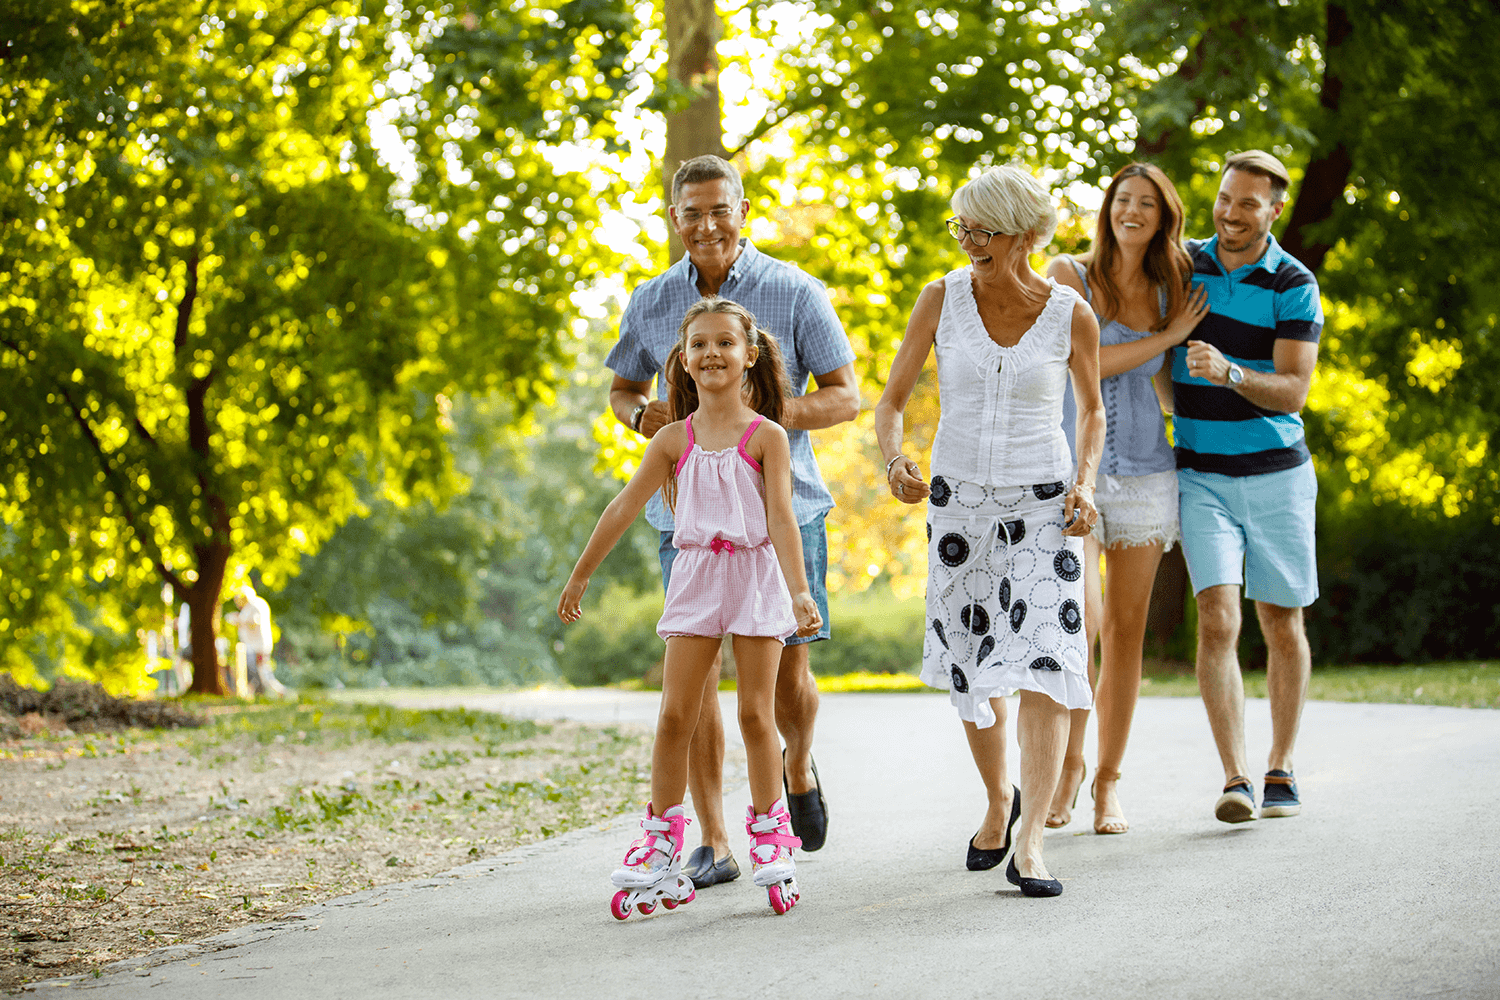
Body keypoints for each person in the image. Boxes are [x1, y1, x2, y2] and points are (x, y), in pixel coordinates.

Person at [605, 154, 858, 885]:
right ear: (675, 219)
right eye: (692, 212)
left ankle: (797, 766)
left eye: (720, 209)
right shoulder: (652, 300)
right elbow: (623, 389)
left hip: (786, 512)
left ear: (741, 210)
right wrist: (638, 416)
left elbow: (844, 396)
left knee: (785, 683)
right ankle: (714, 840)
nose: (707, 224)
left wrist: (759, 420)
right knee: (695, 676)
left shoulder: (795, 291)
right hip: (686, 521)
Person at [875, 163, 1105, 897]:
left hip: (1043, 507)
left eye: (984, 229)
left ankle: (1031, 842)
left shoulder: (1072, 313)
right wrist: (894, 461)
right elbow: (891, 402)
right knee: (975, 664)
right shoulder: (940, 299)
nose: (969, 240)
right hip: (960, 507)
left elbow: (1093, 410)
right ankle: (997, 799)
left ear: (1026, 234)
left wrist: (1087, 481)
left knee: (1047, 662)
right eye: (963, 227)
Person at [560, 297, 824, 918]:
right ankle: (661, 842)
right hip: (697, 575)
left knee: (757, 717)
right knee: (676, 713)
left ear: (749, 355)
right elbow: (624, 507)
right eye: (699, 344)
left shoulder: (769, 437)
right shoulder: (672, 439)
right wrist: (580, 577)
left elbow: (783, 517)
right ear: (682, 359)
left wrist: (800, 590)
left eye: (725, 343)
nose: (712, 353)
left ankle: (769, 836)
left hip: (757, 575)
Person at [1043, 163, 1210, 833]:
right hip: (1074, 472)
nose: (1131, 210)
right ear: (1107, 208)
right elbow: (1071, 362)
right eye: (1122, 199)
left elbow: (1168, 387)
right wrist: (1166, 339)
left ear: (1163, 218)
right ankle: (1070, 766)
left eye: (1146, 203)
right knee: (1079, 623)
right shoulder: (1068, 276)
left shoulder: (1174, 292)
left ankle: (1109, 781)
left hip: (1146, 471)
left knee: (1127, 631)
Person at [1172, 150, 1323, 823]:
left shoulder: (1293, 282)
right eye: (1225, 198)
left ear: (1274, 210)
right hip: (1201, 474)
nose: (1230, 214)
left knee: (1280, 622)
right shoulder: (1182, 265)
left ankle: (1280, 766)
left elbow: (1294, 388)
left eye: (1247, 204)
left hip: (1277, 478)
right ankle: (1234, 777)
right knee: (1217, 618)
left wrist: (1230, 372)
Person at [229, 584, 287, 697]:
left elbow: (255, 621)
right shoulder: (250, 607)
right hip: (253, 646)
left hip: (258, 647)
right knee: (256, 672)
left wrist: (239, 620)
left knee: (263, 672)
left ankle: (281, 692)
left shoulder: (255, 605)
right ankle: (257, 695)